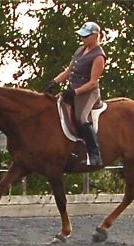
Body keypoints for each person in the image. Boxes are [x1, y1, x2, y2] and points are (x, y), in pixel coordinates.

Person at [45, 21, 106, 166]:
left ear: (95, 36)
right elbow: (69, 71)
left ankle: (95, 155)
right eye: (82, 36)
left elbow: (92, 82)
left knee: (81, 118)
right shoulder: (80, 50)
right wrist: (54, 82)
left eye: (85, 36)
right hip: (73, 90)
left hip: (88, 93)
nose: (82, 39)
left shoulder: (98, 56)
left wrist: (74, 92)